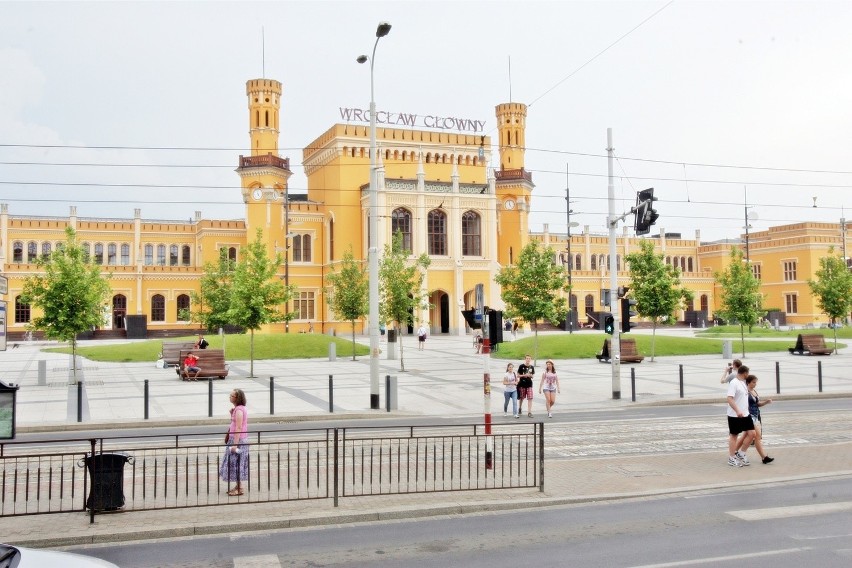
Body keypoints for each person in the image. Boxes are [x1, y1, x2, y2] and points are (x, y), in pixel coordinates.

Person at [220, 389, 249, 496]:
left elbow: (239, 427)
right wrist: (232, 414)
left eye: (231, 395)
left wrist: (235, 445)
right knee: (236, 463)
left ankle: (240, 488)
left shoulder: (240, 410)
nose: (230, 397)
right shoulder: (237, 409)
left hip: (238, 441)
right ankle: (238, 486)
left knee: (236, 463)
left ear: (237, 398)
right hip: (236, 439)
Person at [726, 364, 756, 467]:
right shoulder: (734, 383)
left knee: (752, 433)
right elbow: (729, 399)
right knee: (734, 435)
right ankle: (731, 457)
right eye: (748, 373)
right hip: (735, 414)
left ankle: (741, 453)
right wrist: (737, 410)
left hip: (745, 414)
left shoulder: (743, 383)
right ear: (745, 373)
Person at [745, 375, 775, 464]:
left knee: (751, 437)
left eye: (756, 382)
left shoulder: (754, 391)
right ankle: (740, 453)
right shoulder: (745, 392)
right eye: (753, 382)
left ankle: (737, 453)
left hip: (756, 415)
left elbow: (757, 404)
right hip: (749, 416)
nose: (755, 384)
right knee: (756, 436)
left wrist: (766, 402)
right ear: (748, 382)